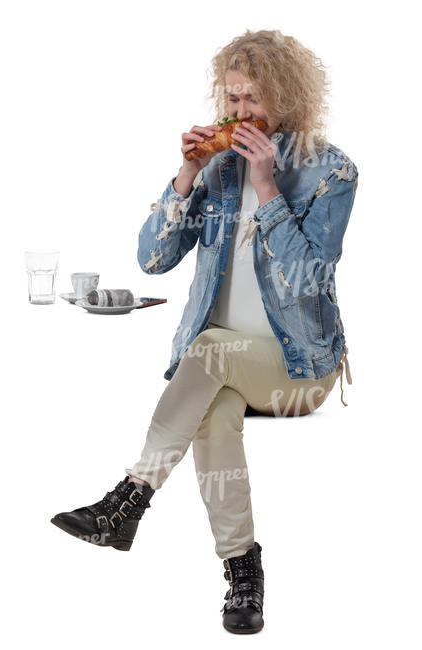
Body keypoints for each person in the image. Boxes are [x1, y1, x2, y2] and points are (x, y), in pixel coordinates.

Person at [51, 28, 358, 635]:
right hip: (219, 370)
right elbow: (152, 261)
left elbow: (306, 279)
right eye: (233, 99)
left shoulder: (331, 170)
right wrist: (186, 175)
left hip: (298, 372)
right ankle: (243, 570)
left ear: (289, 97)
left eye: (253, 100)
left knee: (208, 348)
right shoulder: (216, 169)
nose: (240, 113)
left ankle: (129, 499)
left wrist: (267, 187)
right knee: (213, 415)